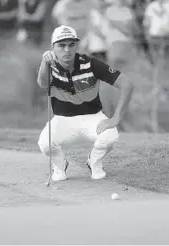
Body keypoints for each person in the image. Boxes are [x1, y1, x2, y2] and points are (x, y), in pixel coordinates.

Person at [37, 25, 134, 182]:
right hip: (63, 119)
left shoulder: (91, 64)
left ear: (76, 45)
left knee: (110, 136)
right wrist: (44, 62)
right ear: (53, 47)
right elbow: (42, 83)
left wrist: (116, 118)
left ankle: (94, 162)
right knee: (45, 144)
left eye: (71, 45)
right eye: (61, 45)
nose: (67, 50)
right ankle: (60, 165)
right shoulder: (49, 65)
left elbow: (127, 84)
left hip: (92, 118)